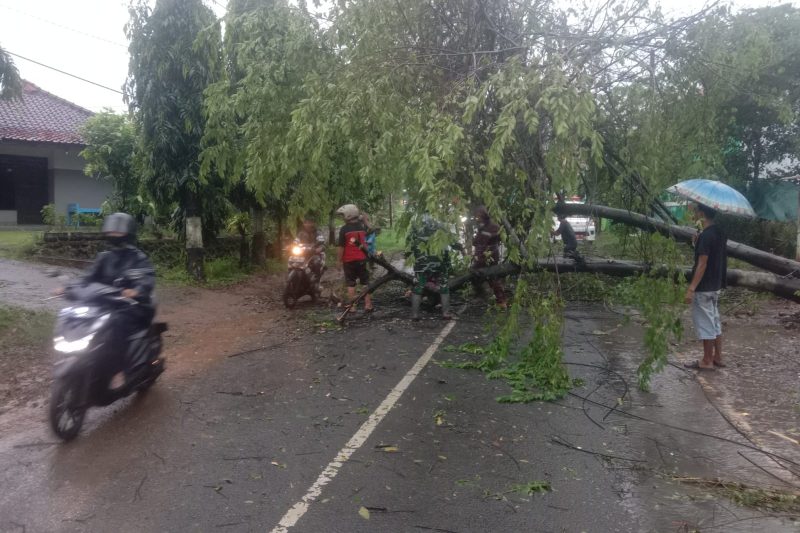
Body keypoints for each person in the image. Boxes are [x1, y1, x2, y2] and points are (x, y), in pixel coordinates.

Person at [66, 213, 156, 388]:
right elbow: (87, 278)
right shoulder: (104, 257)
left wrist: (136, 291)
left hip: (134, 307)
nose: (114, 235)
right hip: (107, 304)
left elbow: (146, 279)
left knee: (116, 324)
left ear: (128, 233)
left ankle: (118, 370)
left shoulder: (138, 258)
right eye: (111, 231)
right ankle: (91, 359)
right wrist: (69, 289)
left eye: (118, 232)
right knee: (78, 317)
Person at [683, 202, 728, 371]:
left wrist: (691, 288)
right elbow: (715, 254)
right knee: (714, 321)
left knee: (705, 323)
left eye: (696, 211)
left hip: (704, 287)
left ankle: (707, 360)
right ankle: (718, 357)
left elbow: (702, 264)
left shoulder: (706, 236)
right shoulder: (720, 233)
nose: (695, 213)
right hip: (716, 284)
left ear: (702, 214)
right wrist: (697, 243)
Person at [407, 215, 461, 320]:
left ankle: (415, 315)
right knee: (444, 288)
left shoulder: (416, 224)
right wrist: (460, 248)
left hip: (421, 263)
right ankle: (445, 313)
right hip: (440, 263)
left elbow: (409, 245)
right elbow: (454, 243)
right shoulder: (442, 225)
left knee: (418, 288)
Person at [336, 204, 373, 312]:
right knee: (365, 282)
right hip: (362, 259)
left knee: (351, 283)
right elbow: (370, 228)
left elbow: (341, 247)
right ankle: (368, 304)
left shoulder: (344, 229)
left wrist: (338, 261)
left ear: (348, 215)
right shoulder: (361, 227)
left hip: (349, 260)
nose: (342, 217)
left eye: (343, 215)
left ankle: (352, 306)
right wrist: (365, 220)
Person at [471, 206, 507, 309]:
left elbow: (498, 238)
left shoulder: (493, 226)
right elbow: (477, 241)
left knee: (492, 277)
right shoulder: (481, 227)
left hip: (490, 256)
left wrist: (486, 251)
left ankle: (501, 301)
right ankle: (481, 295)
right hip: (481, 255)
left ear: (484, 215)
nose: (477, 218)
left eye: (479, 216)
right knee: (475, 274)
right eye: (477, 216)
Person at [296, 215, 326, 292]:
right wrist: (290, 246)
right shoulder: (301, 233)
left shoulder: (317, 232)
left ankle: (317, 283)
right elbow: (296, 241)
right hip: (302, 254)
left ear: (313, 223)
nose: (308, 224)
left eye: (310, 223)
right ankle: (293, 280)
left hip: (314, 254)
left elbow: (322, 242)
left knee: (316, 262)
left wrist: (319, 248)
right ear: (304, 224)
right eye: (306, 223)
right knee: (292, 260)